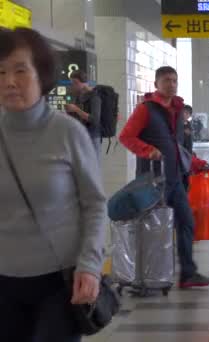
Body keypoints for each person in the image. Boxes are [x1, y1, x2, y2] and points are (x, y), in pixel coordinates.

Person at [0, 28, 107, 341]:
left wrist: (90, 265)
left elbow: (95, 204)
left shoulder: (67, 132)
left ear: (42, 75)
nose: (9, 81)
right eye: (1, 71)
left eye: (20, 70)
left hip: (59, 284)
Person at [119, 66, 209, 289]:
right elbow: (126, 136)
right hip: (153, 181)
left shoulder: (178, 110)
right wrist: (147, 150)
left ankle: (188, 274)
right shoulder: (146, 109)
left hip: (174, 180)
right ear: (156, 84)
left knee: (186, 222)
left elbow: (177, 147)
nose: (171, 84)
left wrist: (197, 164)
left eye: (174, 80)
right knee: (153, 229)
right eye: (166, 80)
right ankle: (147, 276)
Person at [66, 69, 102, 156]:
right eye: (72, 83)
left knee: (93, 166)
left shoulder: (95, 97)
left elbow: (94, 119)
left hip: (92, 136)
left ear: (82, 82)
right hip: (81, 135)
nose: (73, 86)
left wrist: (76, 109)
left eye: (75, 83)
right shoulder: (79, 96)